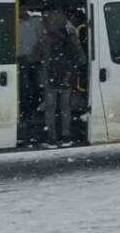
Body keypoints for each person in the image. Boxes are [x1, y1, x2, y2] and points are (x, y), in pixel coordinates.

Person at [33, 10, 85, 146]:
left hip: (50, 79)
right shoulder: (71, 36)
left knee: (50, 110)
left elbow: (36, 57)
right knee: (65, 108)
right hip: (66, 79)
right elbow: (81, 59)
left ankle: (52, 138)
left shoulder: (46, 38)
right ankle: (66, 136)